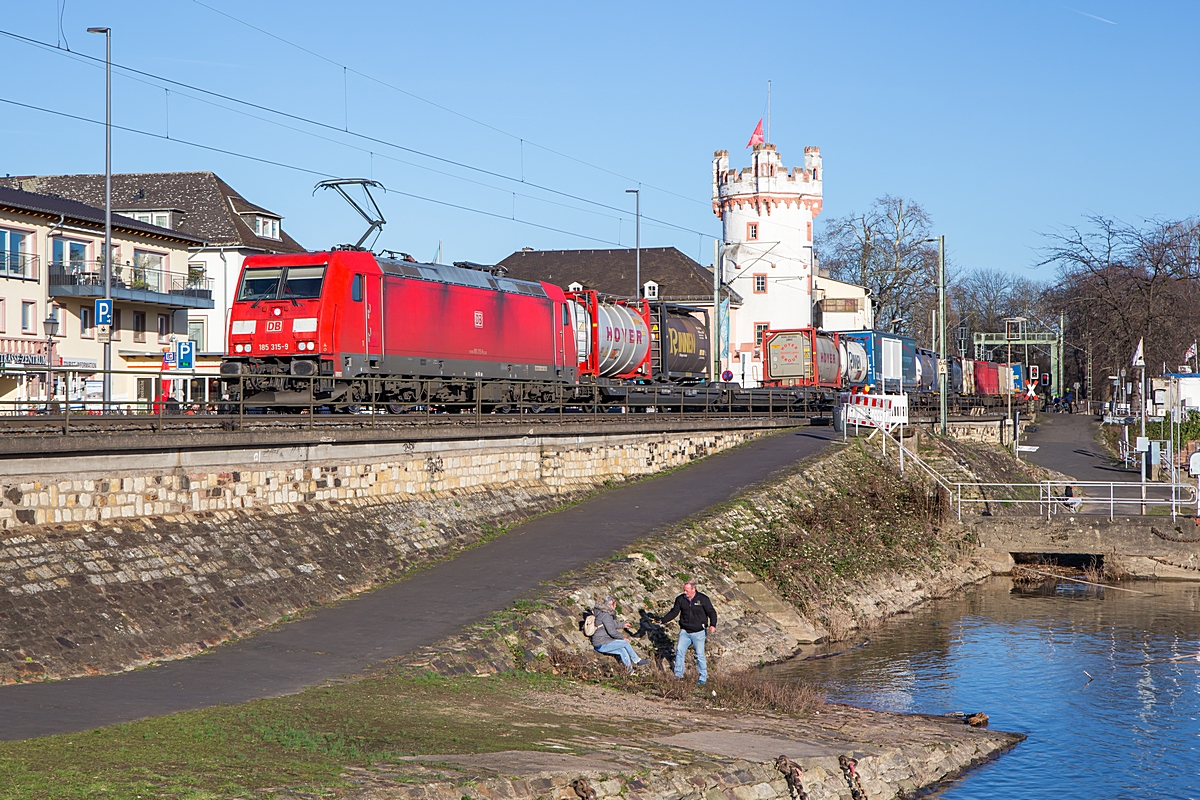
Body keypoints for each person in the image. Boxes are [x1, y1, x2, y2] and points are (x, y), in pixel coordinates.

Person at [660, 579, 718, 685]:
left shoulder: (703, 599)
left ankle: (702, 678)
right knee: (679, 651)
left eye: (687, 591)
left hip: (699, 632)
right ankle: (678, 675)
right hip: (685, 631)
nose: (685, 593)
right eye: (684, 590)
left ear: (693, 589)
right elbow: (674, 612)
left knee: (700, 655)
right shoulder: (680, 599)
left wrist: (713, 624)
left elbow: (711, 612)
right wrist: (662, 620)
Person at [589, 596, 649, 673]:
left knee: (622, 651)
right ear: (611, 605)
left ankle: (630, 671)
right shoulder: (606, 615)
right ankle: (637, 661)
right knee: (625, 643)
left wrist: (623, 625)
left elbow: (612, 624)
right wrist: (622, 638)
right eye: (615, 605)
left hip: (602, 642)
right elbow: (612, 631)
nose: (616, 607)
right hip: (601, 643)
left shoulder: (604, 614)